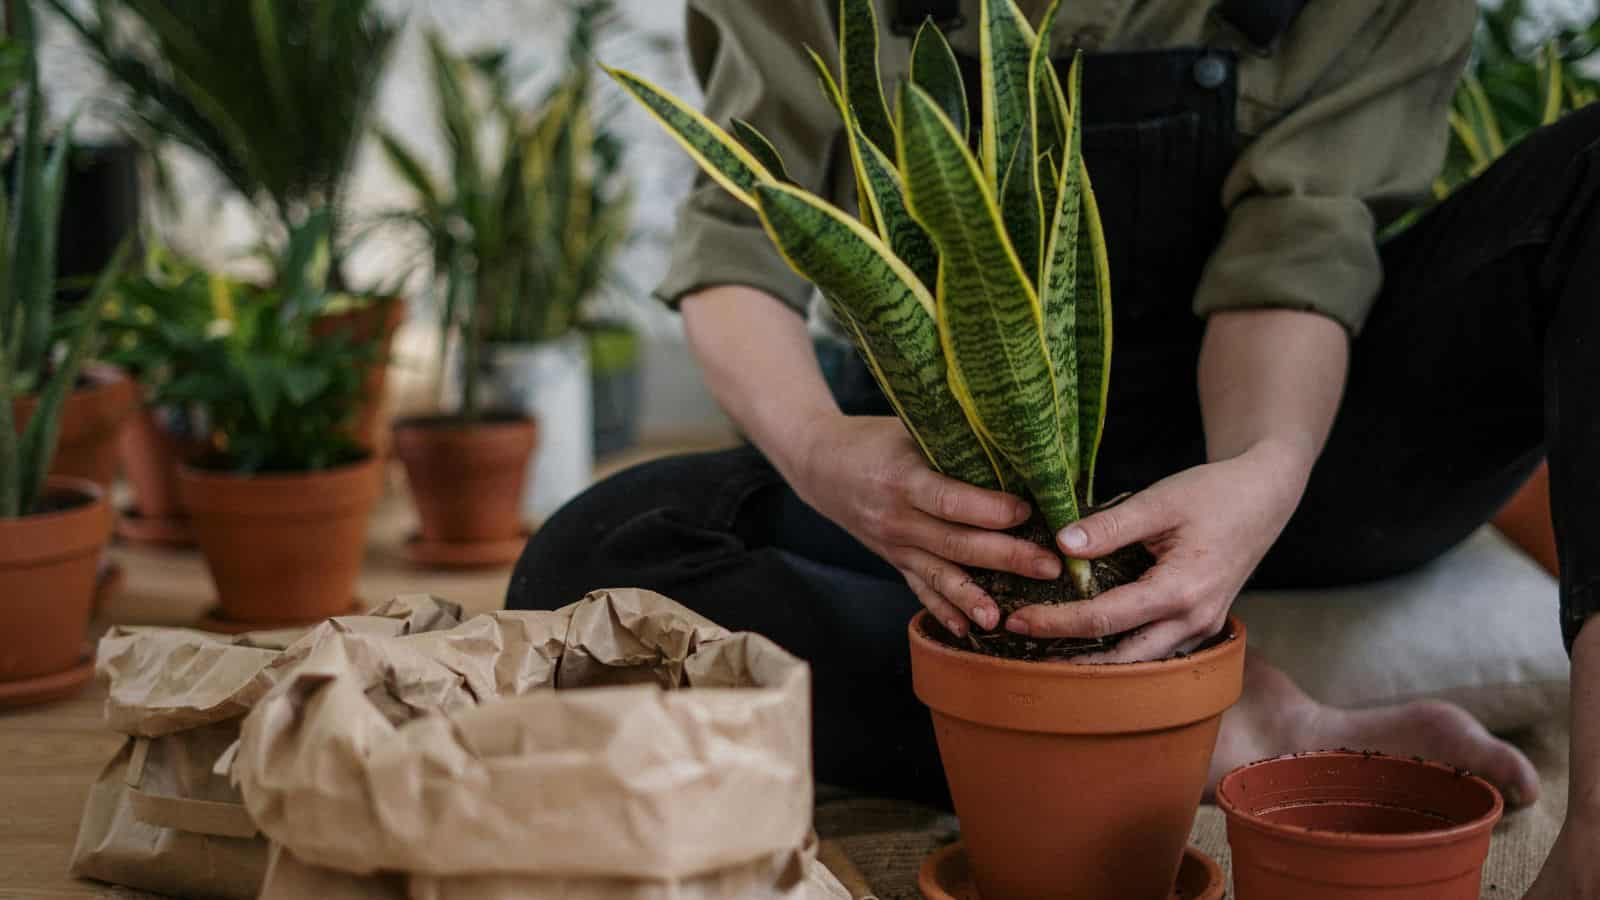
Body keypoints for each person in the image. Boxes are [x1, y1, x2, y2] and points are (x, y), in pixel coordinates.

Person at [509, 1, 1600, 894]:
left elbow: (1297, 250)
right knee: (593, 557)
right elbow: (741, 235)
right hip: (963, 488)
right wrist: (820, 452)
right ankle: (1220, 718)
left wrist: (1261, 474)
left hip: (1306, 445)